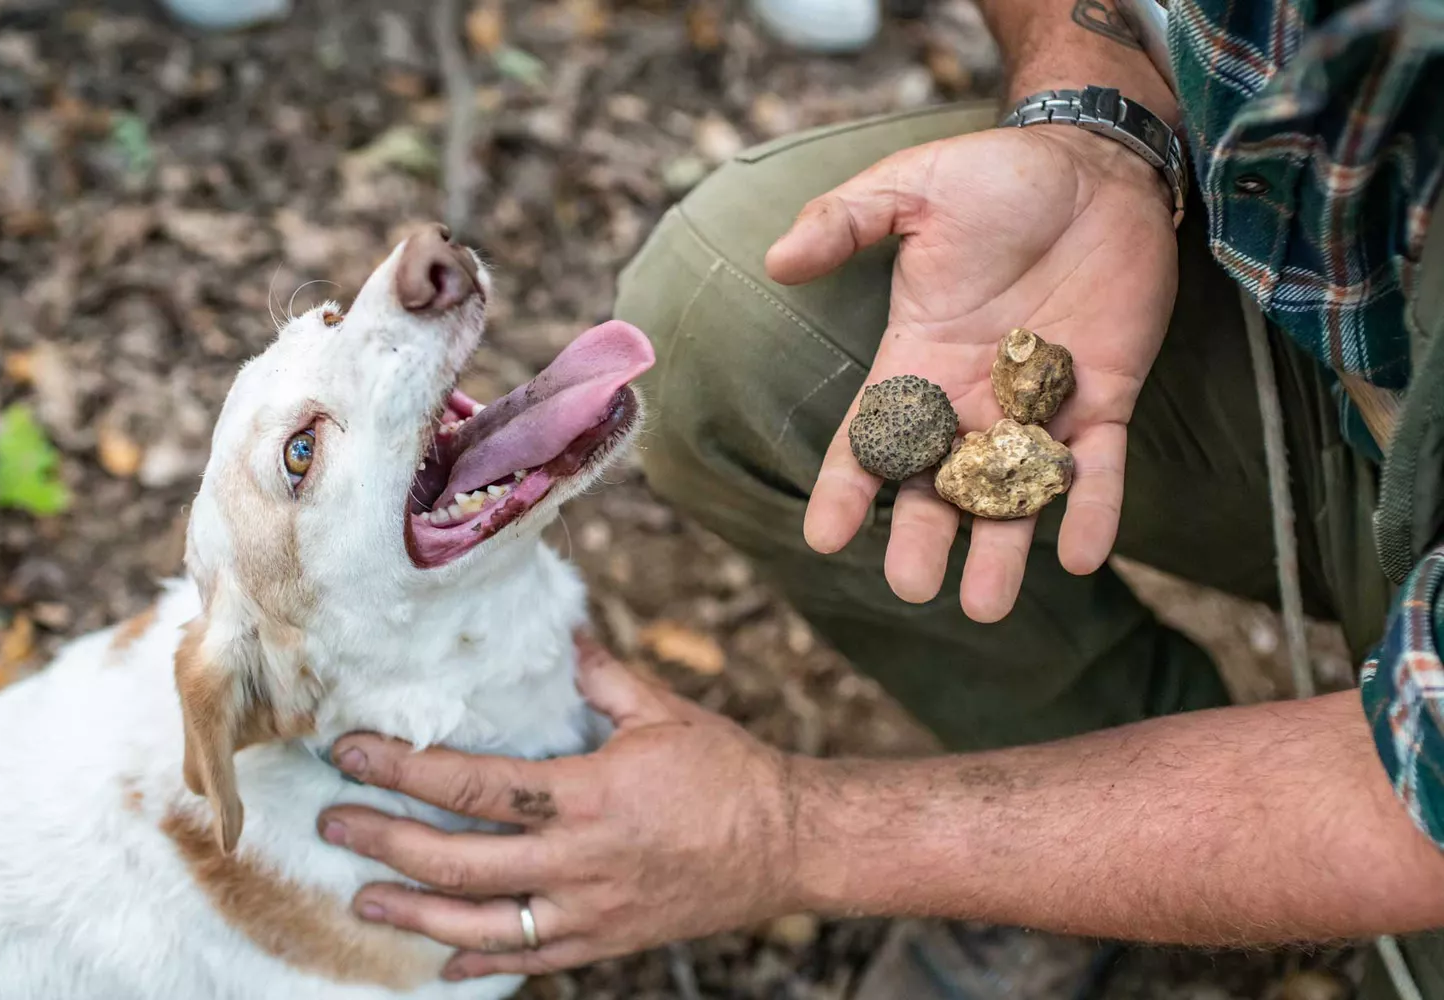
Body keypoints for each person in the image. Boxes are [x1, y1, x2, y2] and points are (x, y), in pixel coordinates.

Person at [313, 0, 1444, 994]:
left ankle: (1210, 854)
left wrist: (790, 835)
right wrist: (1093, 121)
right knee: (739, 318)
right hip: (1309, 296)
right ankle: (1107, 799)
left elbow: (1425, 796)